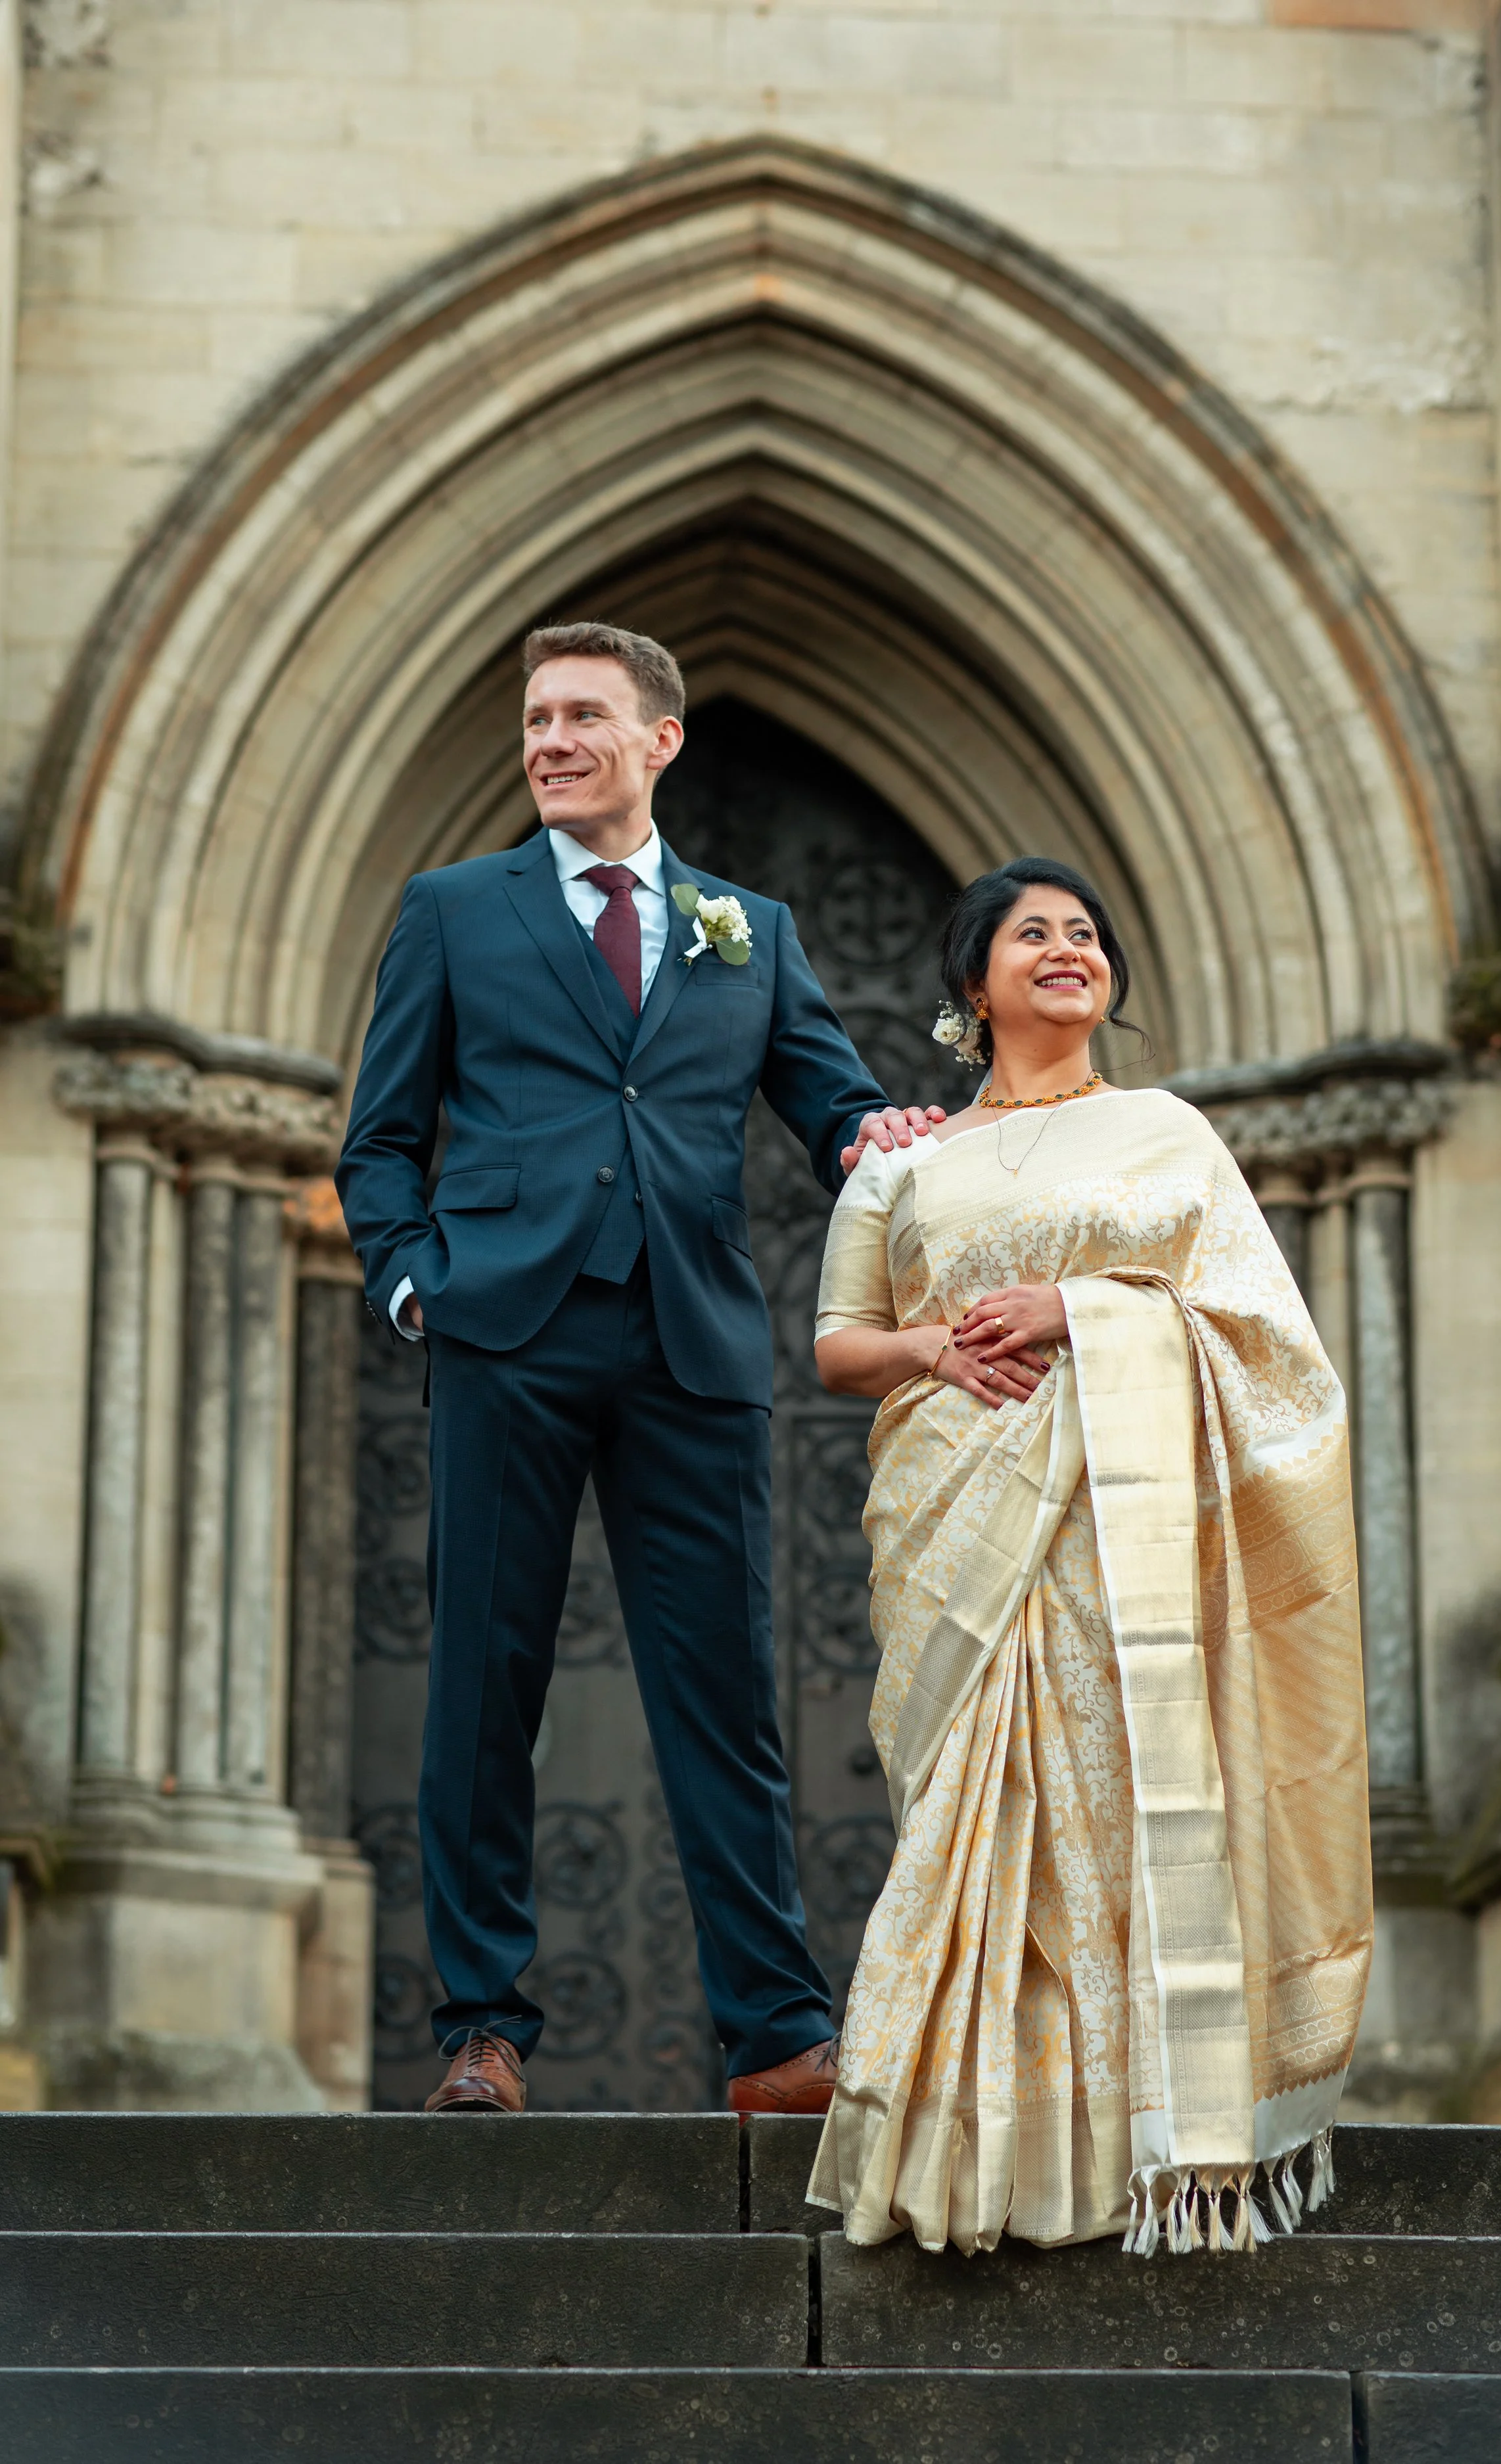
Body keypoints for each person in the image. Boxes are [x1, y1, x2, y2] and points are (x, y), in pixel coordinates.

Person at [336, 621, 942, 2116]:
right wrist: (420, 1288)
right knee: (482, 1689)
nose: (548, 740)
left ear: (657, 739)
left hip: (691, 1344)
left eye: (580, 717)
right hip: (506, 1334)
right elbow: (380, 1140)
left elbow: (830, 1099)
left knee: (725, 1694)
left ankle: (773, 2037)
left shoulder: (749, 928)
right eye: (536, 718)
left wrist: (876, 1134)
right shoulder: (452, 911)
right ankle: (483, 2029)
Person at [806, 857, 1372, 2254]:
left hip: (1127, 1538)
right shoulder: (904, 1164)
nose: (1067, 950)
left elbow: (1270, 1352)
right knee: (974, 1825)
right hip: (954, 1515)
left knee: (1117, 1824)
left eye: (1085, 935)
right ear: (971, 984)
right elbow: (836, 1346)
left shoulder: (1169, 1135)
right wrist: (938, 1344)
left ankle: (1134, 2156)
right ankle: (966, 2170)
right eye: (1032, 934)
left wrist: (1084, 1309)